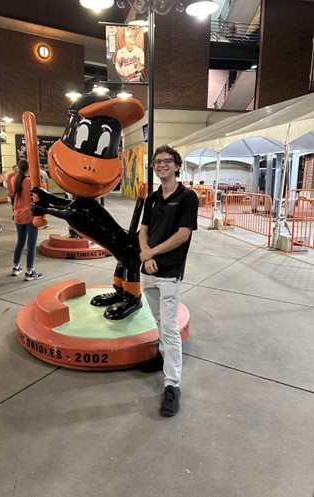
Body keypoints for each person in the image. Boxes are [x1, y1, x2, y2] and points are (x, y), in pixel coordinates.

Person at [139, 145, 198, 417]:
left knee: (171, 328)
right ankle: (163, 356)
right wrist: (144, 254)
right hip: (148, 270)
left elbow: (183, 234)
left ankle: (172, 385)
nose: (161, 164)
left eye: (167, 161)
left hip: (169, 272)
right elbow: (144, 230)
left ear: (176, 165)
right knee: (159, 321)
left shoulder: (187, 197)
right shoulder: (152, 199)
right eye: (157, 161)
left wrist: (152, 253)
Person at [11, 159, 43, 281]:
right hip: (30, 215)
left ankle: (16, 267)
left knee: (20, 241)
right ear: (28, 169)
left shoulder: (14, 180)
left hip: (18, 214)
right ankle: (30, 272)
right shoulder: (31, 182)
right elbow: (39, 194)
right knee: (31, 244)